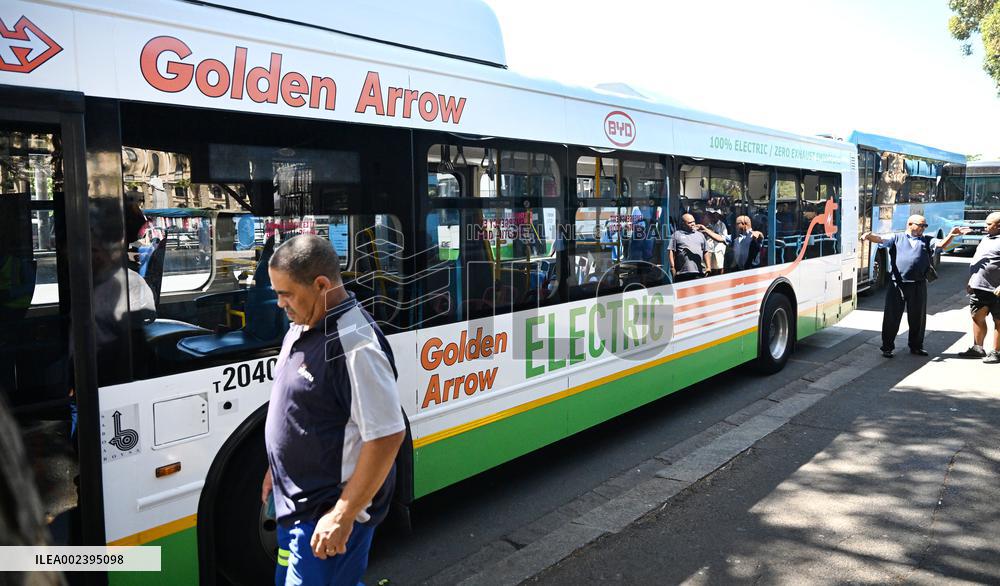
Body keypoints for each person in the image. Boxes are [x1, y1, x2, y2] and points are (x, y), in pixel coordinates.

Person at [261, 234, 405, 586]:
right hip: (294, 508)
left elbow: (387, 435)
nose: (280, 303)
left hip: (324, 515)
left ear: (321, 284)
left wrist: (342, 516)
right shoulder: (304, 324)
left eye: (286, 293)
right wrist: (276, 467)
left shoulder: (355, 344)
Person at [861, 215, 969, 358]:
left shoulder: (927, 240)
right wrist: (869, 236)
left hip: (918, 284)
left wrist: (951, 235)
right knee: (891, 317)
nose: (923, 228)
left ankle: (916, 346)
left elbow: (942, 245)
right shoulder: (897, 237)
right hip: (897, 284)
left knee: (917, 318)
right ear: (910, 224)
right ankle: (887, 347)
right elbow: (880, 239)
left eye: (925, 226)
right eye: (921, 225)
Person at [957, 211, 1000, 362]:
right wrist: (972, 281)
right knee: (977, 317)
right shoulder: (986, 239)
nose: (985, 226)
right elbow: (977, 260)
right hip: (979, 287)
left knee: (999, 321)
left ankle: (997, 352)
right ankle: (978, 348)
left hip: (996, 290)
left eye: (989, 224)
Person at [668, 213, 710, 282]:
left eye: (693, 221)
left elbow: (706, 251)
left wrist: (708, 267)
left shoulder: (700, 235)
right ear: (683, 224)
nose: (693, 224)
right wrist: (672, 267)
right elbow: (671, 251)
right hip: (682, 273)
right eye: (690, 223)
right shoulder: (676, 235)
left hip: (699, 272)